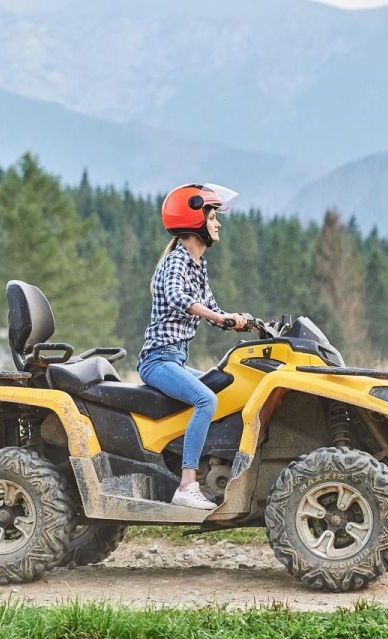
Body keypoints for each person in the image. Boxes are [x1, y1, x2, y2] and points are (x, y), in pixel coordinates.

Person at [137, 183, 247, 509]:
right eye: (212, 217)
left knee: (228, 389)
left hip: (177, 360)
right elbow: (178, 298)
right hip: (158, 361)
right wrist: (217, 315)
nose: (218, 223)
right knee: (205, 399)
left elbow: (212, 307)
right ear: (195, 220)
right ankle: (187, 484)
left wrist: (241, 319)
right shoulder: (176, 261)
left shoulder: (199, 265)